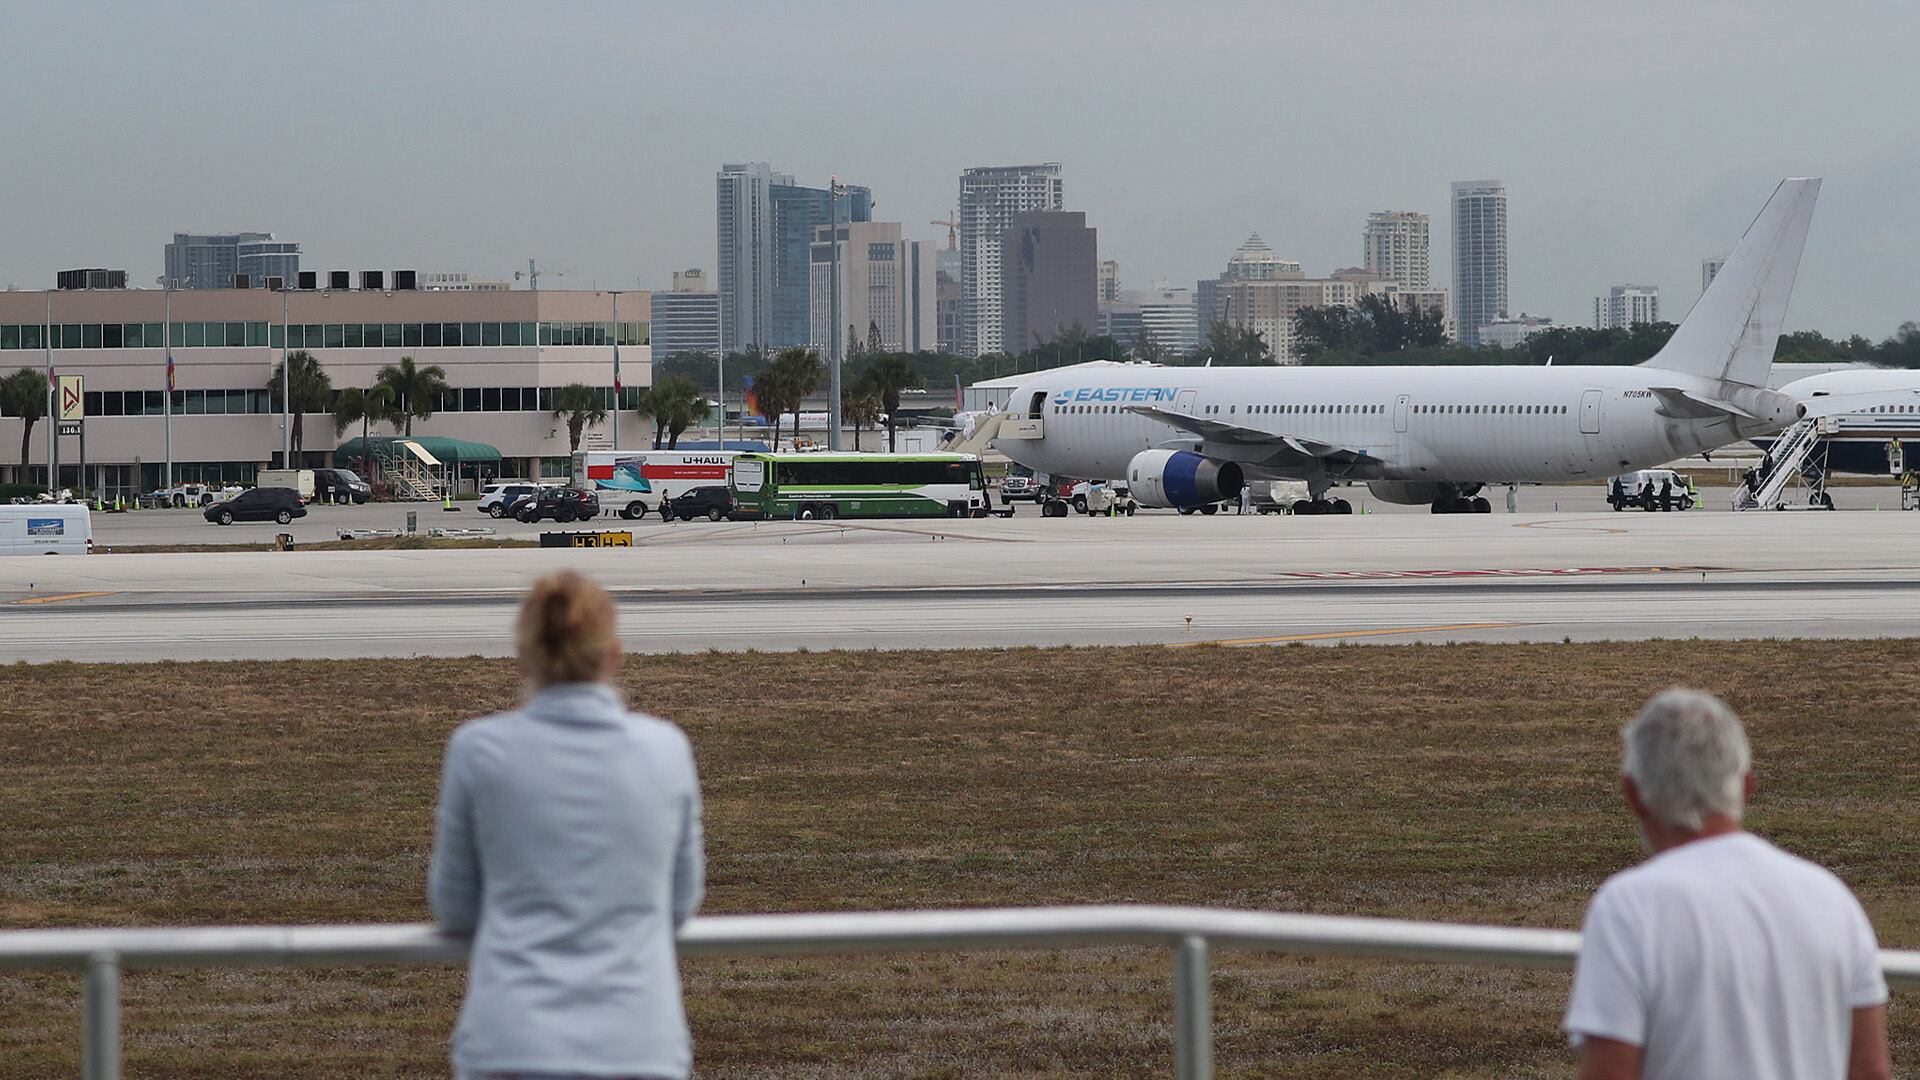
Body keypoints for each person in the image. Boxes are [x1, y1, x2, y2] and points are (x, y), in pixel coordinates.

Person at [431, 571, 705, 1080]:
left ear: (524, 657)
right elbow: (681, 901)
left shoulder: (479, 750)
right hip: (639, 1043)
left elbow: (455, 908)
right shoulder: (665, 749)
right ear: (613, 654)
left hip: (512, 1041)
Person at [1564, 688, 1889, 1080]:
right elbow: (1871, 1070)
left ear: (1632, 794)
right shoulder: (1833, 901)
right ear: (1747, 786)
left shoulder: (1629, 907)